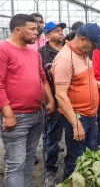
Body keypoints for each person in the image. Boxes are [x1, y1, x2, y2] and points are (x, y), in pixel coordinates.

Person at [52, 23, 100, 179]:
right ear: (82, 39)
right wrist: (76, 124)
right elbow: (60, 95)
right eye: (93, 45)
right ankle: (70, 182)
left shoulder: (83, 55)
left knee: (89, 152)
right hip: (77, 116)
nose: (94, 49)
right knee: (76, 158)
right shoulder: (64, 60)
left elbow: (86, 81)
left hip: (89, 115)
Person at [0, 14, 55, 187]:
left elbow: (43, 78)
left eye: (36, 29)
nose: (36, 33)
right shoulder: (3, 49)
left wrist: (50, 101)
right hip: (17, 115)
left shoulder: (34, 53)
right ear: (18, 30)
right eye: (32, 29)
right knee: (16, 163)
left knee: (29, 158)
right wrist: (7, 114)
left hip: (37, 114)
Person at [38, 21, 66, 187]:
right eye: (56, 31)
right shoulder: (42, 54)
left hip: (72, 101)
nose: (61, 32)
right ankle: (50, 171)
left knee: (72, 137)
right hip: (54, 103)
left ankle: (71, 168)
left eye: (61, 30)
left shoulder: (70, 50)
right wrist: (49, 101)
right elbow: (42, 80)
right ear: (47, 36)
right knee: (53, 139)